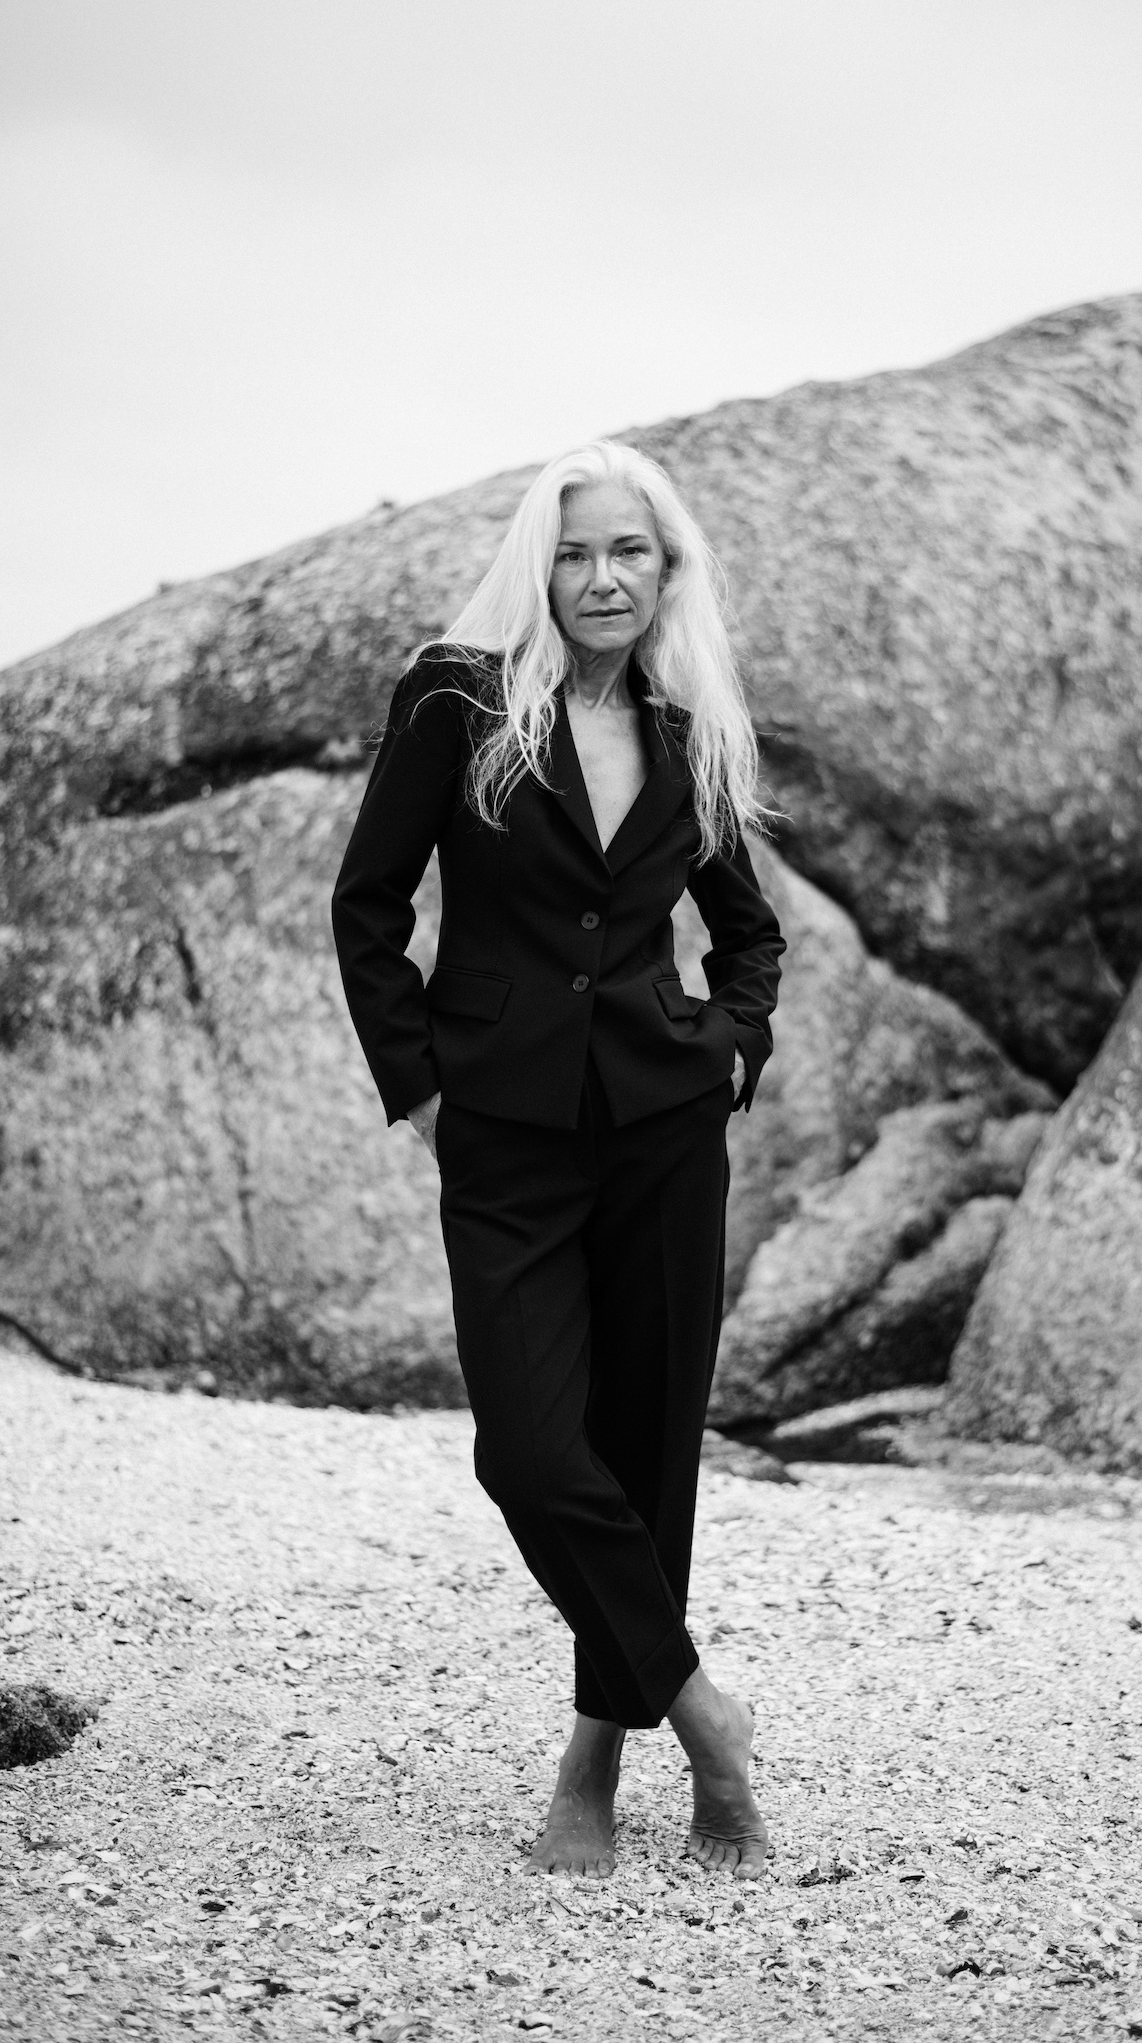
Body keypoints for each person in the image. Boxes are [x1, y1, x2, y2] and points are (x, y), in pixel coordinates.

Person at [332, 440, 785, 1881]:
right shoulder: (457, 703)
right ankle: (700, 1710)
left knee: (648, 1450)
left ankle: (592, 1766)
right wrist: (422, 1096)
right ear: (542, 564)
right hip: (504, 1136)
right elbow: (367, 905)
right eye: (577, 552)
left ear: (668, 571)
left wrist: (727, 1046)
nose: (601, 579)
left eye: (628, 553)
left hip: (661, 1130)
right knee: (529, 1446)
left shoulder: (686, 722)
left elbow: (747, 928)